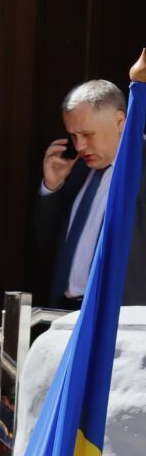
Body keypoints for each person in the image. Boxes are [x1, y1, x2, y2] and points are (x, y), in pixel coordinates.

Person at [34, 79, 146, 310]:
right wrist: (52, 187)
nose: (80, 146)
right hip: (65, 315)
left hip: (122, 322)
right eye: (73, 136)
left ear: (119, 122)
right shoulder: (77, 169)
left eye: (87, 134)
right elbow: (46, 243)